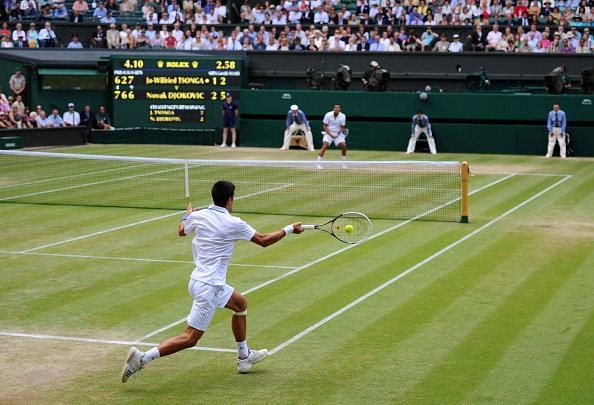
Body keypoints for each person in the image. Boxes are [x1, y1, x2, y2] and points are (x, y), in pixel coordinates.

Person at [121, 181, 304, 382]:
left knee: (240, 304)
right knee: (190, 338)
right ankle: (142, 358)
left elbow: (181, 230)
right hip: (208, 287)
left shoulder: (198, 216)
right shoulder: (234, 223)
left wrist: (187, 214)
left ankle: (244, 357)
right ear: (230, 199)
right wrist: (289, 229)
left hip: (200, 281)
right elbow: (263, 240)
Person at [317, 104, 347, 169]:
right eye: (335, 108)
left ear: (340, 109)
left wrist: (337, 134)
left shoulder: (343, 116)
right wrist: (331, 135)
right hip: (328, 133)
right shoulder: (328, 114)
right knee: (325, 146)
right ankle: (318, 163)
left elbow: (342, 127)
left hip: (338, 134)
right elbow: (324, 126)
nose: (336, 109)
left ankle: (344, 163)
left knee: (344, 146)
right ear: (333, 109)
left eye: (338, 108)